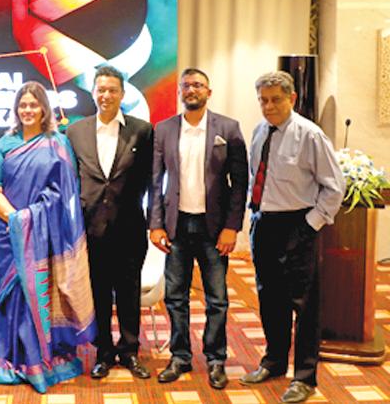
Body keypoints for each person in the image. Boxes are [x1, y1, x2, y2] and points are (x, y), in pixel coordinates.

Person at [240, 71, 345, 403]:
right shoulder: (260, 130)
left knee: (305, 305)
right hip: (264, 224)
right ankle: (273, 363)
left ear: (292, 99)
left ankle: (304, 377)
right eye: (263, 100)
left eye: (275, 100)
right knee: (270, 299)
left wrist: (309, 225)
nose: (269, 106)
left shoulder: (310, 135)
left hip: (298, 225)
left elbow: (334, 187)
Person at [0, 81, 96, 393]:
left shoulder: (58, 143)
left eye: (33, 105)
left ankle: (49, 358)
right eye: (23, 105)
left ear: (44, 108)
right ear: (16, 109)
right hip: (12, 233)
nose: (28, 110)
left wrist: (35, 218)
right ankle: (13, 360)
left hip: (49, 235)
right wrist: (17, 219)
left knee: (46, 292)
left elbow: (67, 193)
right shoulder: (5, 144)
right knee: (15, 296)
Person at [149, 68, 248, 389]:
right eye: (186, 85)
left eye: (198, 85)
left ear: (209, 91)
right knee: (175, 297)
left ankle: (216, 358)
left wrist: (232, 227)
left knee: (216, 298)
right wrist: (156, 224)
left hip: (214, 227)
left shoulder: (228, 129)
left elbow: (239, 184)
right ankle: (180, 356)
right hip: (176, 226)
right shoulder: (164, 129)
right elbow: (154, 181)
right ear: (180, 91)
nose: (191, 90)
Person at [65, 65, 153, 380]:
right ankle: (103, 352)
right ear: (93, 93)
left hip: (129, 227)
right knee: (99, 294)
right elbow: (70, 182)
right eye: (101, 90)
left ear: (122, 94)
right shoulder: (75, 132)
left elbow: (151, 180)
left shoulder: (141, 131)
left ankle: (129, 351)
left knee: (129, 293)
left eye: (112, 90)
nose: (106, 95)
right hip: (90, 230)